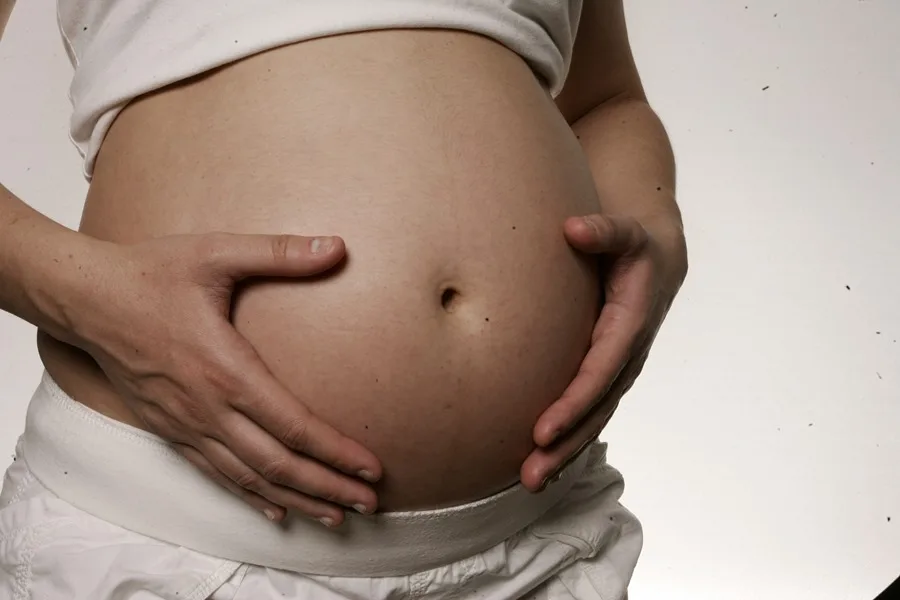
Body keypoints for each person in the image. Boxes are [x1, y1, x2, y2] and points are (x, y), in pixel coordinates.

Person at [0, 0, 687, 598]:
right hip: (174, 541)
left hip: (534, 546)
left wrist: (656, 225)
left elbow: (606, 102)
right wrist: (95, 302)